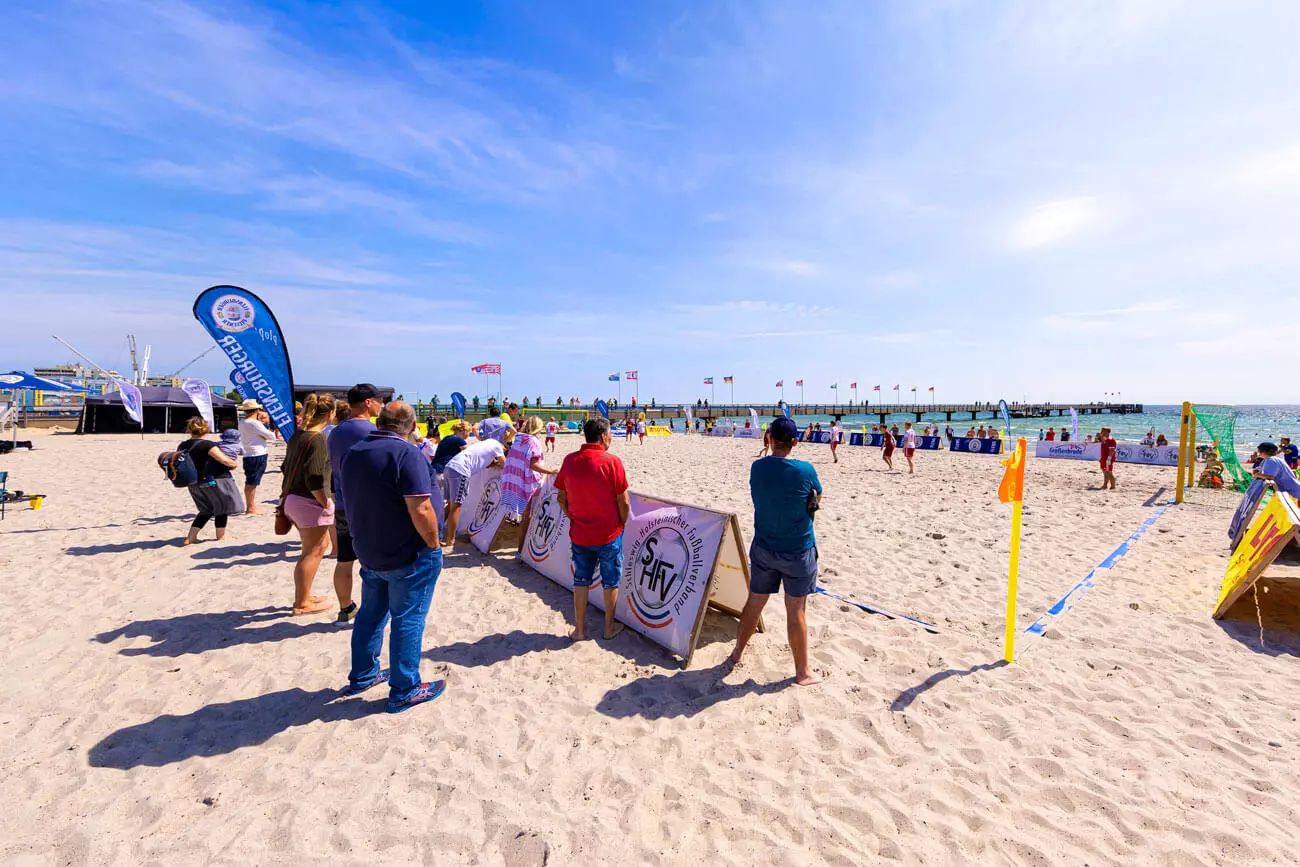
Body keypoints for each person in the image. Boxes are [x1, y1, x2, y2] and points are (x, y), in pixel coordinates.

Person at [341, 401, 446, 714]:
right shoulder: (406, 454)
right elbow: (421, 507)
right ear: (413, 426)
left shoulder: (355, 452)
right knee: (408, 618)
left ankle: (364, 675)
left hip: (370, 547)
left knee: (371, 614)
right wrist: (434, 543)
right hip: (407, 551)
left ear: (379, 422)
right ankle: (405, 689)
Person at [728, 416, 822, 687]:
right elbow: (816, 497)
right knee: (796, 610)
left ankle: (737, 652)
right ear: (796, 441)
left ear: (768, 440)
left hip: (765, 546)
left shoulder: (757, 468)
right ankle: (803, 673)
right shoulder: (805, 470)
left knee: (755, 601)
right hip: (797, 549)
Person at [555, 418, 629, 642]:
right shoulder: (612, 461)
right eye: (611, 436)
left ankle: (579, 629)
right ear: (604, 437)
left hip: (580, 533)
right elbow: (623, 501)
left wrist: (574, 517)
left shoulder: (570, 460)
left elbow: (561, 498)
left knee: (581, 579)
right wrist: (622, 523)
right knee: (610, 581)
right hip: (608, 534)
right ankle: (608, 628)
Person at [327, 384, 386, 624]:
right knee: (376, 562)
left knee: (344, 559)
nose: (382, 406)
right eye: (380, 402)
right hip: (368, 505)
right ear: (369, 402)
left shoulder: (335, 432)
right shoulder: (371, 431)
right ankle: (375, 610)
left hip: (342, 502)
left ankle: (346, 608)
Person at [280, 393, 336, 616]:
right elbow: (314, 476)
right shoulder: (319, 439)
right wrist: (325, 502)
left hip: (292, 497)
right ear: (330, 414)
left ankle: (304, 595)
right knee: (314, 551)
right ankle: (302, 603)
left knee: (312, 550)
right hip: (308, 499)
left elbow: (286, 467)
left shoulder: (298, 436)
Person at [177, 417, 243, 545]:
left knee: (206, 509)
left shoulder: (182, 445)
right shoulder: (207, 444)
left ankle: (191, 537)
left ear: (190, 429)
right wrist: (233, 464)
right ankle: (220, 536)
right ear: (205, 430)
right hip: (212, 481)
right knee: (222, 507)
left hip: (193, 482)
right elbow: (223, 460)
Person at [442, 434, 508, 547]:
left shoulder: (487, 443)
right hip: (461, 471)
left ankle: (438, 532)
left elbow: (485, 463)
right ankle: (450, 540)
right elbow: (505, 465)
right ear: (503, 448)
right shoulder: (497, 446)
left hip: (450, 467)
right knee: (456, 507)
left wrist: (494, 462)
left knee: (450, 505)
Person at [502, 416, 556, 538]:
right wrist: (551, 471)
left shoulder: (519, 438)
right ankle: (520, 549)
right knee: (527, 516)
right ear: (538, 428)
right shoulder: (533, 441)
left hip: (514, 478)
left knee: (519, 510)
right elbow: (533, 464)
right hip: (524, 481)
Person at [238, 400, 276, 514]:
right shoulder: (254, 423)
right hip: (257, 454)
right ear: (256, 410)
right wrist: (266, 424)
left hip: (248, 453)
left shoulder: (242, 422)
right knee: (253, 482)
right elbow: (271, 436)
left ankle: (250, 506)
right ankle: (251, 507)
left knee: (250, 481)